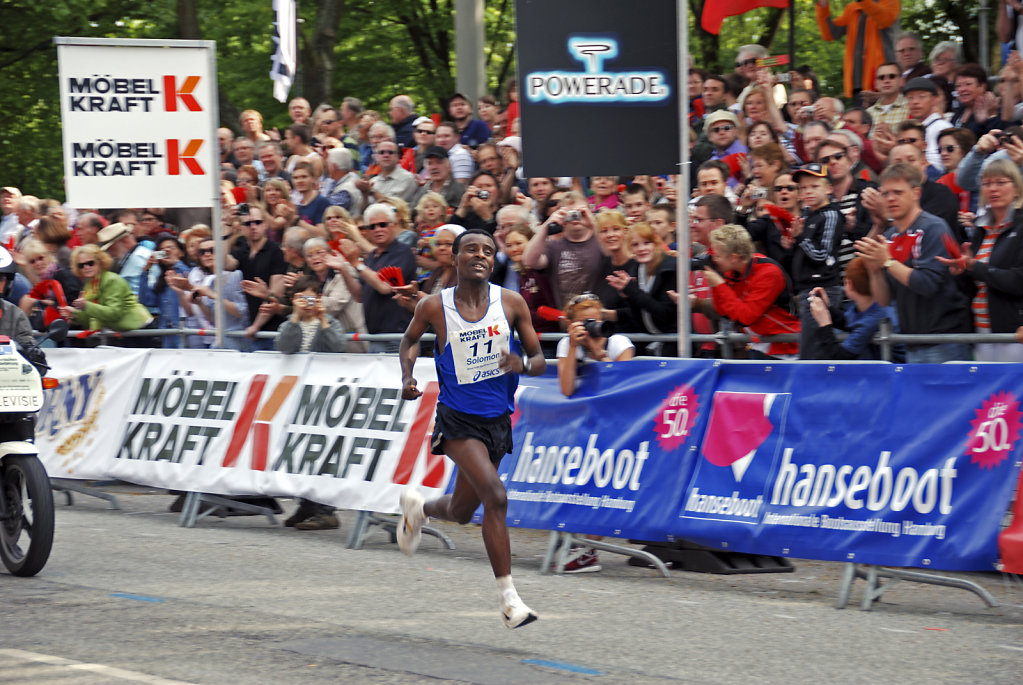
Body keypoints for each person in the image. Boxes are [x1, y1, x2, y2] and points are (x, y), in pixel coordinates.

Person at [397, 229, 546, 630]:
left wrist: (522, 365)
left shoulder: (511, 303)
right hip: (457, 417)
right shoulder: (434, 306)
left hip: (496, 418)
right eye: (471, 250)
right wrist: (408, 376)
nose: (480, 255)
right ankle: (509, 600)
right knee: (496, 496)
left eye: (488, 251)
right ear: (456, 258)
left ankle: (419, 507)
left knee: (462, 511)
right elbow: (409, 340)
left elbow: (539, 359)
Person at [854, 163, 972, 363]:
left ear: (916, 193)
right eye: (885, 193)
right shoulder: (890, 235)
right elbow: (885, 299)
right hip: (912, 340)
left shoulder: (934, 227)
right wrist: (874, 271)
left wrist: (888, 262)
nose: (890, 198)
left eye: (898, 192)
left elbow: (927, 284)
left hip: (943, 339)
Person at [554, 292, 635, 573]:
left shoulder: (618, 342)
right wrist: (576, 346)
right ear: (572, 324)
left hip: (620, 424)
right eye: (586, 322)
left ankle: (588, 548)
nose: (593, 326)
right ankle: (576, 541)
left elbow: (622, 385)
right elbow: (566, 389)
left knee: (606, 484)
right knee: (579, 482)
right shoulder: (568, 343)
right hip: (584, 424)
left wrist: (596, 350)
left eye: (597, 321)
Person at [938, 159, 1023, 362]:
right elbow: (975, 285)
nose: (993, 188)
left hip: (1014, 334)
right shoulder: (980, 229)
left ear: (1017, 188)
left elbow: (1019, 279)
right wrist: (962, 272)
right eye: (987, 183)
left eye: (1001, 182)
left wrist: (976, 267)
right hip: (980, 332)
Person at [695, 224, 801, 359]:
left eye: (717, 256)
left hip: (786, 348)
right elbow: (723, 311)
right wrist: (715, 285)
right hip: (758, 345)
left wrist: (720, 285)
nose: (714, 260)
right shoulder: (733, 272)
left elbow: (746, 317)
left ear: (733, 257)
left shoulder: (768, 273)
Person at [60, 244, 155, 346]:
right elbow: (92, 317)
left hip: (139, 331)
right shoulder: (89, 284)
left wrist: (86, 305)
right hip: (125, 333)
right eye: (81, 265)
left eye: (90, 263)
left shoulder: (111, 280)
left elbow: (113, 313)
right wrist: (74, 314)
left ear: (100, 262)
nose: (86, 267)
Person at [607, 222, 678, 356]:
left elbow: (665, 314)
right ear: (630, 249)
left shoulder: (670, 268)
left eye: (647, 243)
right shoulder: (636, 269)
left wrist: (632, 291)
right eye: (635, 245)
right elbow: (638, 320)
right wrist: (627, 297)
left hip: (674, 344)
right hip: (649, 341)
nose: (641, 248)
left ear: (656, 244)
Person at [808, 257, 900, 360]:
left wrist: (824, 324)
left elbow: (842, 357)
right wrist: (827, 309)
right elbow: (848, 322)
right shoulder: (868, 306)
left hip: (893, 372)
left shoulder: (875, 317)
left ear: (850, 284)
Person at [815, 0, 900, 100]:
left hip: (883, 81)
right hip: (857, 86)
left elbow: (884, 20)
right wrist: (823, 5)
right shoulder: (852, 8)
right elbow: (830, 34)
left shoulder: (891, 2)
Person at [137, 234, 189, 348]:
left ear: (181, 253)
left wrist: (176, 262)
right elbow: (146, 301)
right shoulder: (161, 280)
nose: (167, 251)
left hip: (185, 330)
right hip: (166, 332)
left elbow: (188, 280)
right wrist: (146, 271)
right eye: (162, 250)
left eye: (171, 248)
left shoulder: (187, 271)